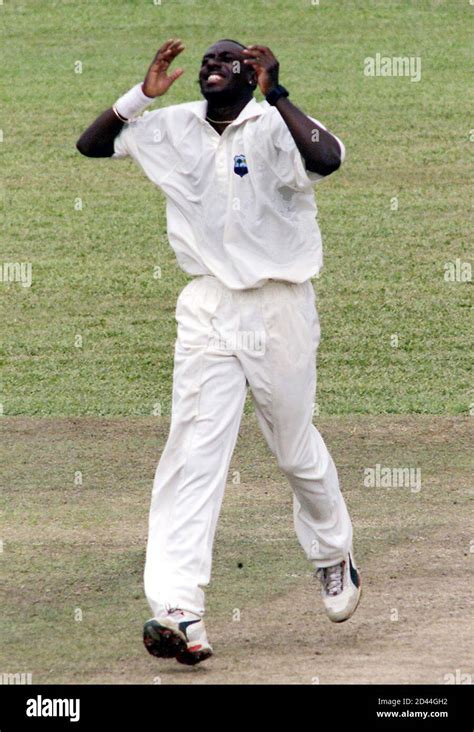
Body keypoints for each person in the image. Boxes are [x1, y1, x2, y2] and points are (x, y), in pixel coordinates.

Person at [76, 38, 361, 666]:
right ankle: (179, 610)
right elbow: (91, 145)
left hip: (278, 302)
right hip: (207, 307)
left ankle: (332, 553)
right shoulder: (172, 126)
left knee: (292, 447)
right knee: (193, 452)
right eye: (208, 61)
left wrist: (276, 93)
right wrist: (140, 97)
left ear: (252, 74)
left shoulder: (274, 126)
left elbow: (328, 159)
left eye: (229, 60)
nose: (213, 66)